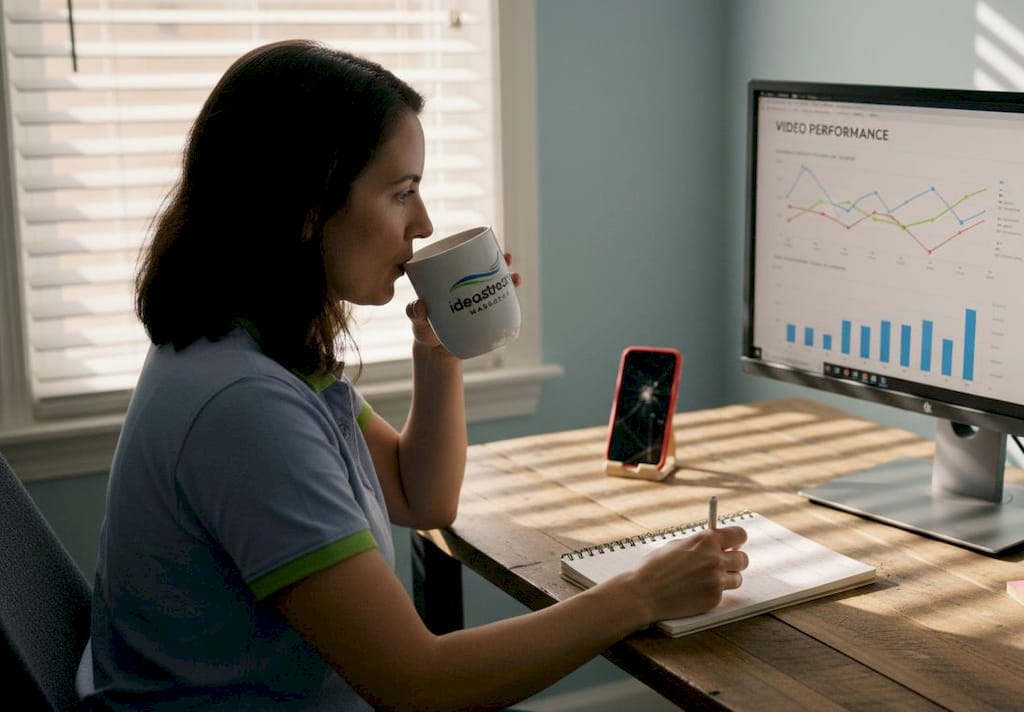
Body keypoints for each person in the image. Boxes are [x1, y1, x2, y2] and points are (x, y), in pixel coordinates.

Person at [76, 40, 749, 710]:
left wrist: (439, 349)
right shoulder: (244, 408)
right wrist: (639, 594)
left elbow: (420, 496)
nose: (422, 225)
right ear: (307, 208)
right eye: (401, 194)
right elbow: (419, 684)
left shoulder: (252, 347)